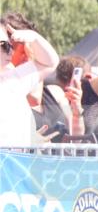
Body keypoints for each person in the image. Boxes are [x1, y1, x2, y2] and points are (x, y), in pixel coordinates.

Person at [0, 17, 59, 147]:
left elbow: (50, 63)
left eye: (10, 45)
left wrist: (34, 38)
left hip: (18, 164)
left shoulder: (12, 80)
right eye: (4, 45)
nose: (10, 51)